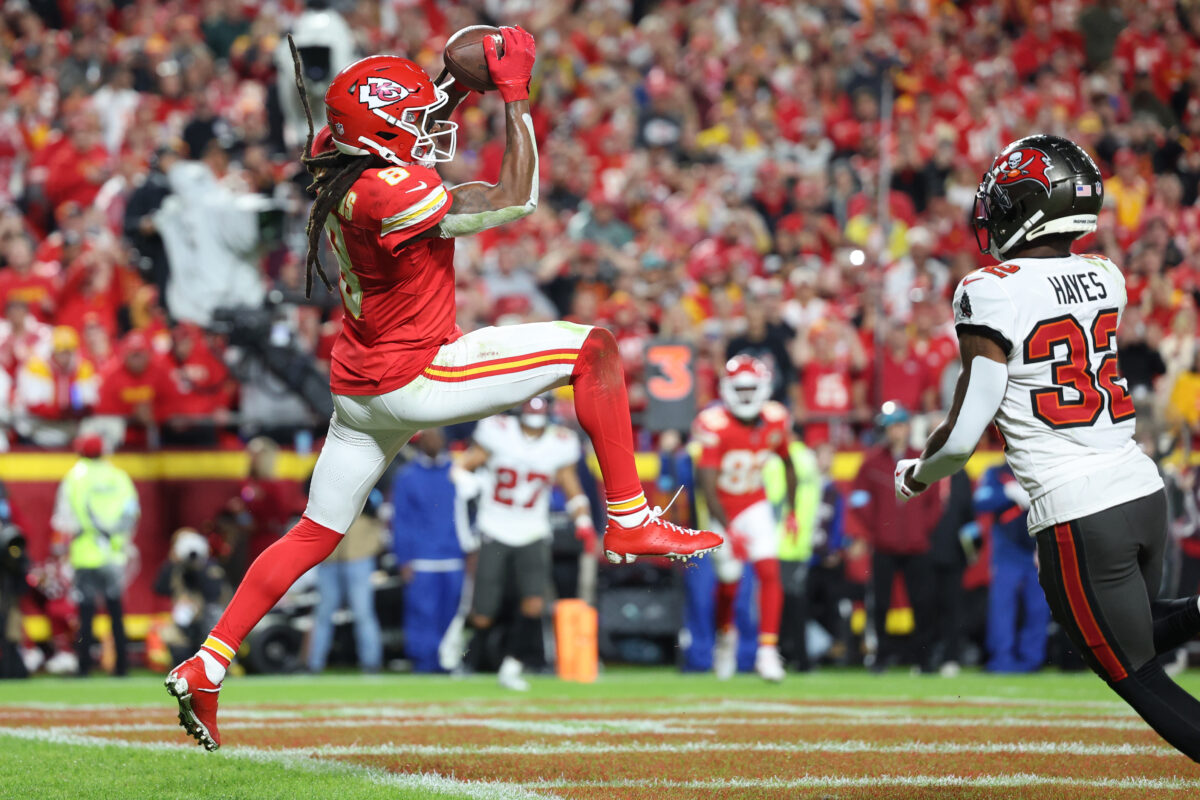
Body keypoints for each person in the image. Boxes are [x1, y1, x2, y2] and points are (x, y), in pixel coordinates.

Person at [167, 28, 720, 750]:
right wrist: (515, 97)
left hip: (358, 389)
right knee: (595, 350)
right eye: (416, 121)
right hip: (415, 375)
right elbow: (514, 197)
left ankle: (208, 663)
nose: (432, 128)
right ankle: (628, 516)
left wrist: (449, 83)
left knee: (313, 532)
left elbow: (395, 127)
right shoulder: (389, 191)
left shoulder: (344, 164)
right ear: (385, 135)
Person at [895, 134, 1200, 761]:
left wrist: (918, 475)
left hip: (1079, 508)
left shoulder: (991, 290)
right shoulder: (1104, 275)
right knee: (1133, 631)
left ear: (1030, 206)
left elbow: (964, 431)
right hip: (1142, 490)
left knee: (1133, 672)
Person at [456, 397, 594, 691]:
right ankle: (470, 661)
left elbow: (570, 484)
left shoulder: (560, 442)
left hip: (533, 529)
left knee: (533, 602)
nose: (535, 411)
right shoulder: (498, 431)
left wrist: (583, 520)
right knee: (483, 610)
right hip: (494, 527)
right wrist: (465, 479)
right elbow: (463, 465)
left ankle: (513, 665)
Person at [692, 355, 798, 682]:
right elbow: (707, 485)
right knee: (729, 580)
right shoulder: (713, 423)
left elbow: (788, 463)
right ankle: (726, 637)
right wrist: (728, 527)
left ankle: (767, 652)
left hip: (754, 502)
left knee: (769, 570)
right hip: (722, 508)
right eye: (742, 389)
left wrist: (791, 510)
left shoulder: (776, 418)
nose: (748, 396)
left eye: (753, 388)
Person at [853, 403, 941, 673]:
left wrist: (921, 529)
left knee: (923, 602)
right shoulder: (872, 462)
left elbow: (935, 502)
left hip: (916, 545)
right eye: (892, 426)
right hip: (884, 545)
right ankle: (881, 656)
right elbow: (859, 500)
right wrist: (875, 529)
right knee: (880, 603)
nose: (896, 431)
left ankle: (924, 658)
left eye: (900, 425)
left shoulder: (922, 459)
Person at [390, 428, 477, 674]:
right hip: (422, 560)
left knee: (453, 616)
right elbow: (401, 521)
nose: (433, 441)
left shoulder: (459, 474)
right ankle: (424, 665)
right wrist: (404, 558)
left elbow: (472, 513)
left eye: (437, 436)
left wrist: (472, 550)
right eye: (428, 436)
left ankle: (451, 663)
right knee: (421, 616)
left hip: (454, 557)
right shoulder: (407, 477)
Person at [52, 433, 139, 677]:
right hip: (114, 554)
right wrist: (119, 541)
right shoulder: (119, 476)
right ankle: (122, 666)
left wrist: (60, 549)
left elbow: (63, 517)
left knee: (86, 614)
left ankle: (84, 667)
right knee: (116, 613)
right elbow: (132, 512)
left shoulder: (75, 477)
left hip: (85, 553)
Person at [974, 463, 1050, 672]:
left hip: (1038, 551)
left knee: (1038, 609)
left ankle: (1032, 661)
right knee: (1002, 609)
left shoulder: (1042, 466)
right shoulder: (997, 472)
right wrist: (1007, 494)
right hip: (1007, 553)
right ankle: (1002, 660)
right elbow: (981, 502)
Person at [306, 508, 385, 675]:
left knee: (363, 613)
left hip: (359, 554)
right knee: (323, 614)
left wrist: (374, 544)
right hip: (329, 556)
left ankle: (371, 664)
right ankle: (314, 665)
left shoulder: (368, 486)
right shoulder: (328, 484)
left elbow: (377, 509)